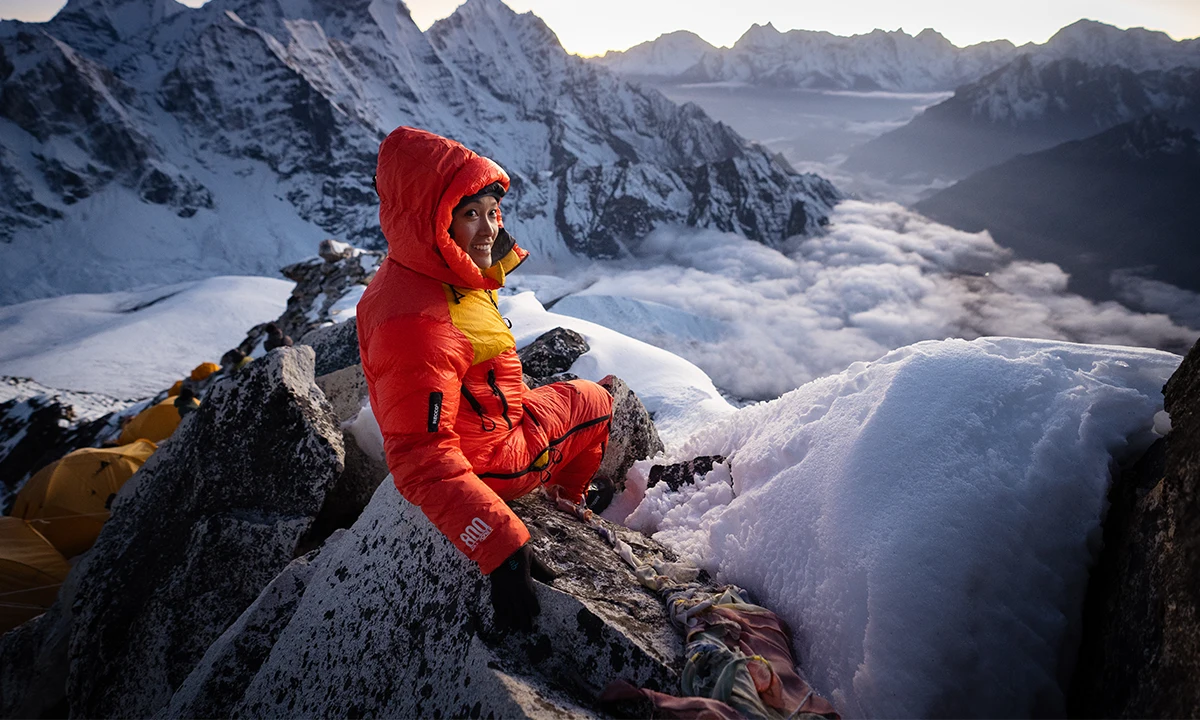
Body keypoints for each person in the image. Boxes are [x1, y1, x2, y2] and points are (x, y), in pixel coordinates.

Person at [357, 127, 614, 632]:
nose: (489, 228)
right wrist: (501, 547)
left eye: (491, 211)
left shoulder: (421, 271)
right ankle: (566, 501)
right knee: (597, 401)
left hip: (493, 418)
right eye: (469, 213)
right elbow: (420, 459)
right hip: (492, 464)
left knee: (569, 392)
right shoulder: (418, 325)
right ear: (432, 219)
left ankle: (561, 490)